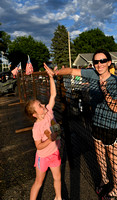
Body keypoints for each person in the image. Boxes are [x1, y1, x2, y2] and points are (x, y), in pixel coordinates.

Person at [44, 49, 117, 200]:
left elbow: (116, 108)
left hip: (111, 126)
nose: (99, 64)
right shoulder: (92, 74)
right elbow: (72, 70)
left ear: (109, 62)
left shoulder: (115, 81)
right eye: (96, 62)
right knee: (100, 157)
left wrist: (105, 90)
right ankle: (105, 181)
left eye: (102, 61)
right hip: (96, 124)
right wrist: (56, 73)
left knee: (113, 159)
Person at [25, 63, 62, 200]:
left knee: (57, 178)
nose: (43, 105)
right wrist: (50, 139)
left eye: (41, 103)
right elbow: (38, 146)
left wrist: (51, 77)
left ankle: (58, 197)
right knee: (39, 182)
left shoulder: (48, 112)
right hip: (43, 157)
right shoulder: (36, 128)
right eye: (40, 106)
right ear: (35, 114)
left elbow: (53, 94)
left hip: (55, 153)